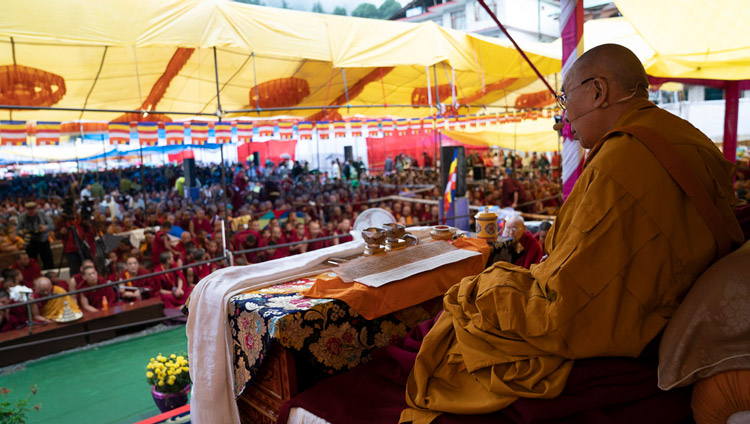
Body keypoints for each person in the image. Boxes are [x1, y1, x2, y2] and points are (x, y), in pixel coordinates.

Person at [401, 44, 744, 422]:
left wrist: (485, 289)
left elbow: (567, 305)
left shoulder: (622, 158)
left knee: (468, 301)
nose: (563, 116)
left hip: (638, 322)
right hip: (673, 298)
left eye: (565, 97)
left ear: (598, 91)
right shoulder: (687, 136)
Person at [16, 201, 54, 269]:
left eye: (32, 210)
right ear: (26, 210)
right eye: (29, 210)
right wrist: (21, 232)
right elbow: (17, 230)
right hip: (30, 241)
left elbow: (52, 226)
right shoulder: (22, 217)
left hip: (43, 240)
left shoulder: (42, 214)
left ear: (36, 209)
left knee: (48, 259)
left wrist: (45, 228)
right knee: (31, 261)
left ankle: (50, 273)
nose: (31, 212)